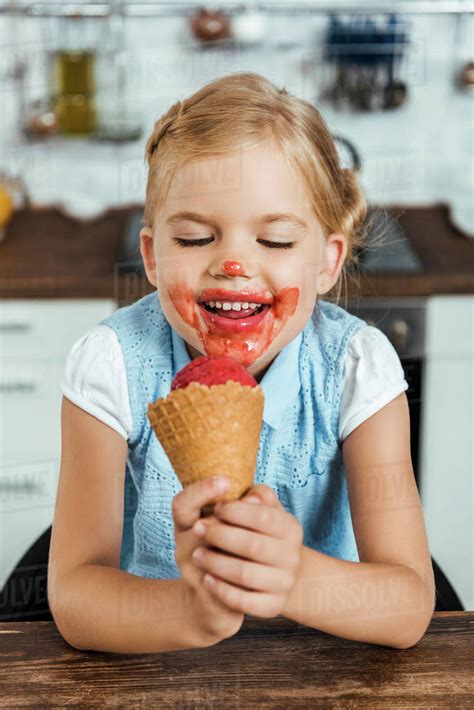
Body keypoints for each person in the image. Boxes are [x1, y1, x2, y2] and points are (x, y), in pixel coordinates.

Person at [48, 72, 435, 654]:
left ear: (327, 263)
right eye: (196, 238)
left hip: (320, 665)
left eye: (275, 241)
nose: (232, 263)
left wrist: (293, 577)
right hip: (155, 663)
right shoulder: (113, 365)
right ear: (152, 256)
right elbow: (77, 597)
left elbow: (407, 607)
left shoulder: (356, 368)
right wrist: (194, 612)